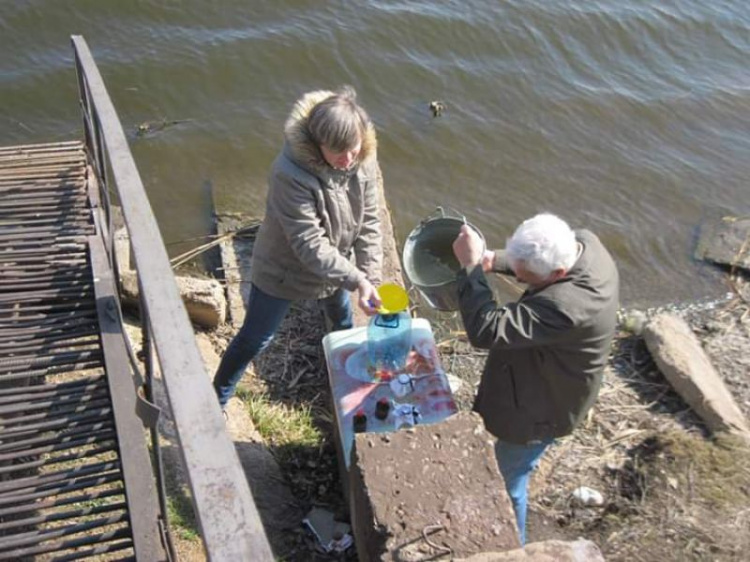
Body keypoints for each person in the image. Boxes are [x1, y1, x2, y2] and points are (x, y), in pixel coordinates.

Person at [452, 213, 619, 544]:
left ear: (557, 274)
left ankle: (516, 545)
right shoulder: (584, 243)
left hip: (543, 409)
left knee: (506, 480)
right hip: (549, 369)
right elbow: (531, 262)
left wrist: (470, 269)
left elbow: (486, 330)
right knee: (510, 470)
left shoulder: (567, 305)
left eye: (526, 278)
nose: (521, 280)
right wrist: (492, 260)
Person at [213, 86, 383, 409]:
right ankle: (217, 397)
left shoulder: (362, 159)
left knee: (343, 320)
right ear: (318, 145)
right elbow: (310, 245)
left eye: (353, 148)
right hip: (284, 271)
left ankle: (343, 375)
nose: (347, 160)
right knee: (256, 338)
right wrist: (357, 280)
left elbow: (371, 221)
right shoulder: (288, 174)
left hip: (336, 269)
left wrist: (370, 276)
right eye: (337, 152)